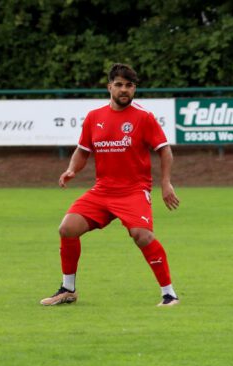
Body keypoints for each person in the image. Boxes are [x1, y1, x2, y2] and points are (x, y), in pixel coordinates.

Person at [40, 63, 181, 307]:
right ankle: (68, 289)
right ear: (109, 87)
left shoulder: (143, 117)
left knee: (142, 235)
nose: (124, 89)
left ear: (134, 89)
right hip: (102, 191)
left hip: (133, 191)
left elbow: (164, 150)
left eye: (129, 85)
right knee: (67, 228)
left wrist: (165, 183)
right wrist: (72, 169)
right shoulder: (94, 117)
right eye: (119, 85)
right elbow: (82, 150)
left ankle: (169, 294)